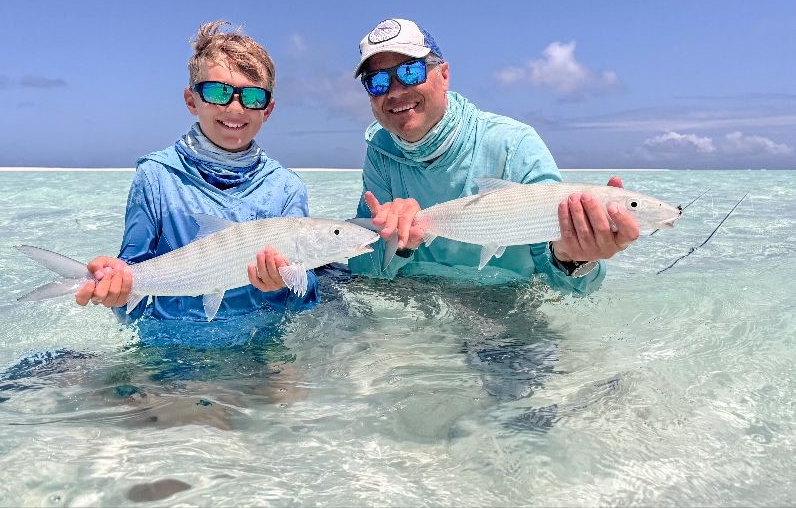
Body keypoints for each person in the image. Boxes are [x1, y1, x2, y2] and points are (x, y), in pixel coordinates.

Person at [347, 18, 639, 293]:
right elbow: (363, 269)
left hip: (505, 308)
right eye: (377, 82)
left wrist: (572, 259)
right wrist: (400, 245)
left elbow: (570, 288)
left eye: (411, 71)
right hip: (418, 302)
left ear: (444, 75)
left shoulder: (514, 145)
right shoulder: (381, 151)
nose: (395, 91)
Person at [74, 20, 320, 344]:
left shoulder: (286, 189)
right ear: (192, 100)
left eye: (253, 97)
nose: (235, 108)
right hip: (167, 348)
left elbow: (306, 301)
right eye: (218, 92)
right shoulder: (156, 177)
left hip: (260, 348)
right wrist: (116, 294)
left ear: (268, 109)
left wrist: (286, 283)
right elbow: (131, 290)